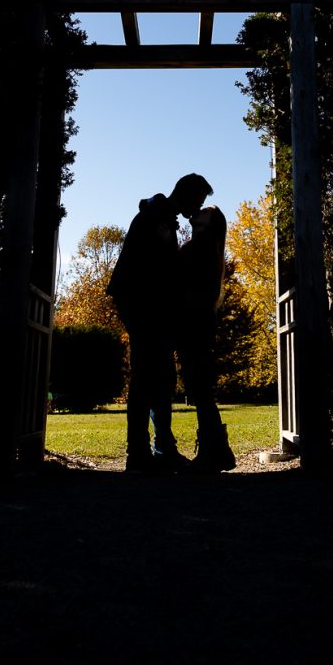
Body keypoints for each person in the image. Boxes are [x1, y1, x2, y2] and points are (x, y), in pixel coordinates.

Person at [107, 173, 213, 473]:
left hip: (148, 306)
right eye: (198, 201)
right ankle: (141, 452)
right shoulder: (156, 217)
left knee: (160, 375)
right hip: (143, 306)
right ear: (186, 193)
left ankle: (159, 449)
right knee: (146, 376)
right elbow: (156, 271)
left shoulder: (162, 216)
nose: (197, 209)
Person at [176, 205, 236, 472]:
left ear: (209, 223)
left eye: (204, 212)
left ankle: (216, 451)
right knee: (200, 388)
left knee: (198, 387)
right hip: (200, 322)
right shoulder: (209, 251)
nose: (196, 212)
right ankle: (216, 449)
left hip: (193, 322)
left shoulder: (197, 249)